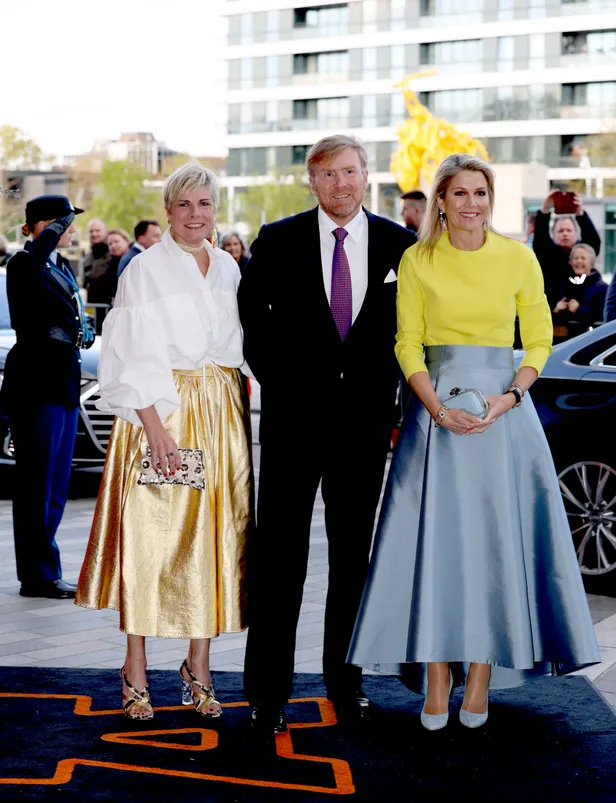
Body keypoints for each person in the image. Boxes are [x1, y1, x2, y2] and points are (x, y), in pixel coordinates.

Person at [348, 154, 600, 731]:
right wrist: (435, 409)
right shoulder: (417, 259)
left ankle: (481, 675)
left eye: (479, 193)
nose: (470, 204)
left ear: (491, 199)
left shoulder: (517, 258)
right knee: (435, 550)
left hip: (504, 418)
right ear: (441, 200)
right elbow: (406, 342)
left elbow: (537, 339)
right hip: (432, 419)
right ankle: (437, 676)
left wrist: (508, 399)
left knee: (494, 549)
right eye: (458, 193)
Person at [238, 134, 416, 734]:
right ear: (311, 183)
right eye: (328, 175)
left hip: (364, 430)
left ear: (367, 176)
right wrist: (285, 388)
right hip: (292, 426)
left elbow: (406, 334)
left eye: (350, 172)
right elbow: (252, 328)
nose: (341, 184)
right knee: (280, 559)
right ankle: (267, 693)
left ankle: (347, 683)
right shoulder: (279, 240)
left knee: (352, 562)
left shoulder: (400, 245)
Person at [75, 162, 252, 721]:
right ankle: (135, 666)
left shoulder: (227, 267)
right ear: (169, 210)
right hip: (164, 414)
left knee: (214, 541)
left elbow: (245, 347)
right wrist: (154, 429)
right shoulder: (143, 270)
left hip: (221, 416)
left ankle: (198, 667)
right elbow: (125, 352)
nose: (196, 214)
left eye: (205, 204)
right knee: (150, 544)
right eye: (184, 205)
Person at [1, 195, 95, 599]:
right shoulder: (24, 262)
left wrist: (84, 326)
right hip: (36, 382)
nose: (70, 230)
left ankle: (47, 567)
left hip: (64, 379)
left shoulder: (62, 266)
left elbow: (68, 311)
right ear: (44, 225)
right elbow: (29, 288)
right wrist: (49, 231)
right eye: (64, 223)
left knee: (56, 482)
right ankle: (37, 575)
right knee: (35, 483)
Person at [533, 190, 601, 309]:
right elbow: (540, 239)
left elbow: (593, 241)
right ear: (553, 235)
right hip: (555, 311)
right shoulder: (549, 254)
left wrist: (580, 212)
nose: (565, 234)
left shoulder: (584, 250)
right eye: (560, 231)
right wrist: (545, 209)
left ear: (576, 233)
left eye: (569, 230)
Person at [552, 243, 608, 337]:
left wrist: (578, 309)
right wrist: (556, 310)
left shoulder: (602, 288)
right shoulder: (562, 285)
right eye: (575, 258)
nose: (579, 261)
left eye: (583, 258)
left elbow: (602, 317)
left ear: (591, 262)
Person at [83, 219, 113, 334]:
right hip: (94, 306)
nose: (94, 234)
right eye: (91, 231)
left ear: (105, 231)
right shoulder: (90, 254)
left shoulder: (111, 252)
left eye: (98, 230)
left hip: (107, 306)